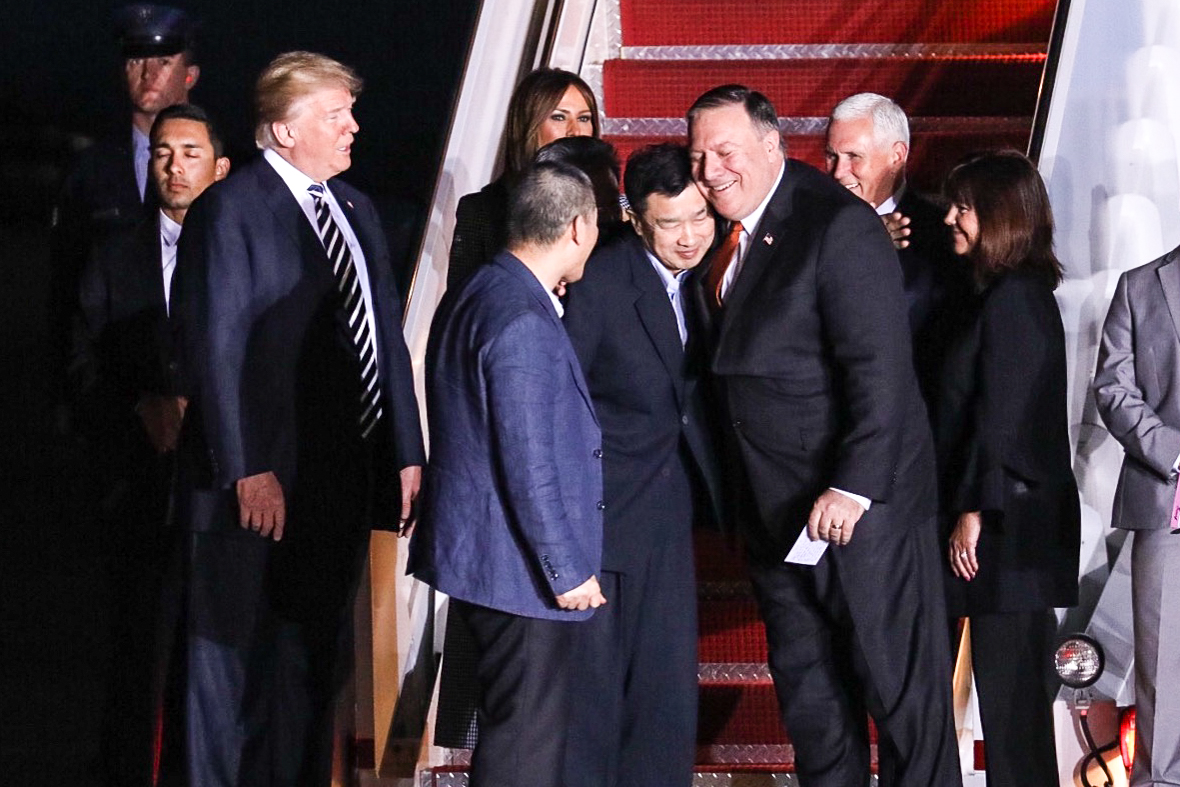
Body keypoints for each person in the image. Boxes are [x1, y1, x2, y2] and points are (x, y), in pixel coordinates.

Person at [686, 84, 960, 787]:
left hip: (861, 518)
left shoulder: (836, 224)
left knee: (903, 706)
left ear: (771, 143)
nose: (710, 170)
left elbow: (881, 370)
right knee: (813, 709)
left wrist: (851, 486)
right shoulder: (719, 231)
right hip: (775, 521)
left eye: (725, 151)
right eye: (698, 156)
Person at [168, 52, 424, 787]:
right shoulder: (231, 209)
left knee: (310, 673)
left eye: (351, 111)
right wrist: (245, 465)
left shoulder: (356, 209)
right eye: (336, 114)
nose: (353, 126)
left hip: (335, 483)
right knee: (234, 678)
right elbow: (217, 347)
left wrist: (406, 449)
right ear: (284, 129)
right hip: (255, 489)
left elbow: (385, 336)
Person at [409, 161, 603, 787]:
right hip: (521, 575)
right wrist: (566, 570)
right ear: (577, 228)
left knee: (516, 737)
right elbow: (529, 463)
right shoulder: (522, 320)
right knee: (524, 749)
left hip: (485, 561)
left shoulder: (480, 290)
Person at [69, 102, 229, 787]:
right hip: (137, 490)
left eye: (190, 153)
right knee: (135, 649)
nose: (174, 166)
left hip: (224, 492)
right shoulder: (114, 254)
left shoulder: (244, 251)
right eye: (163, 152)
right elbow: (79, 363)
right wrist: (139, 407)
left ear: (220, 168)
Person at [561, 142, 722, 787]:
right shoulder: (599, 284)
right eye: (670, 223)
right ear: (633, 217)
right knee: (595, 701)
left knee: (665, 696)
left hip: (672, 508)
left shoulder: (715, 270)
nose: (690, 237)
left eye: (700, 217)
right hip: (604, 515)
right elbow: (563, 404)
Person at [936, 150, 1080, 787]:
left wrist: (973, 511)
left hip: (1009, 535)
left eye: (964, 208)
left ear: (1000, 217)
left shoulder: (1014, 299)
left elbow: (1005, 417)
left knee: (1014, 711)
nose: (950, 218)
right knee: (1011, 707)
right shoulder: (1005, 296)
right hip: (1011, 531)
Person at [53, 5, 199, 372]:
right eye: (136, 61)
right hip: (113, 380)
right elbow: (64, 289)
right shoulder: (89, 172)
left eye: (163, 61)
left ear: (190, 75)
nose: (148, 73)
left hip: (200, 380)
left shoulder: (224, 169)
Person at [1094, 231, 1180, 783]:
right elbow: (1113, 388)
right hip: (1167, 502)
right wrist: (1173, 452)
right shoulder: (1140, 285)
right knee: (1160, 670)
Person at [824, 92, 968, 403]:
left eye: (853, 156)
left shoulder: (941, 234)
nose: (837, 172)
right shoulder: (813, 226)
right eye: (831, 156)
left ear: (897, 155)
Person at [447, 67, 599, 290]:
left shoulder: (608, 209)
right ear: (529, 125)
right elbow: (466, 296)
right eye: (559, 117)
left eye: (584, 118)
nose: (575, 131)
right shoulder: (481, 210)